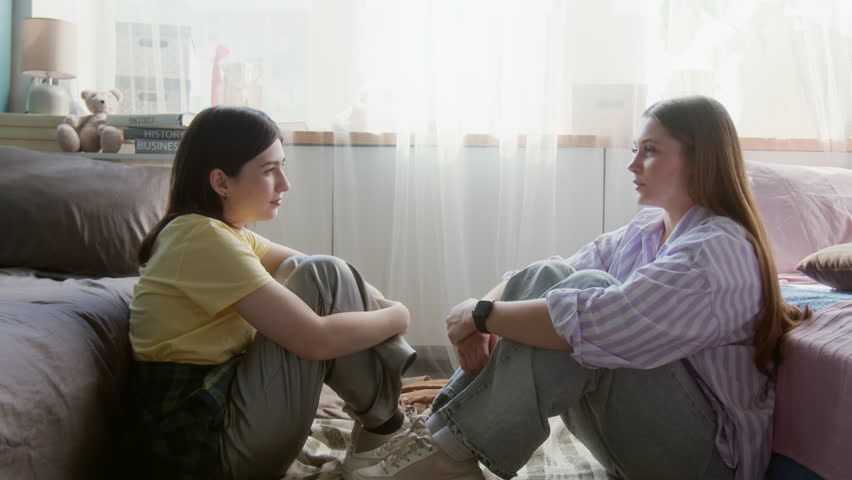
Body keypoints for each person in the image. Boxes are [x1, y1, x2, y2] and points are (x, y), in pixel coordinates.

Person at [349, 96, 810, 480]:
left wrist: (482, 316)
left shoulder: (718, 250)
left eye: (650, 150)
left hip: (706, 462)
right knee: (552, 276)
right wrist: (481, 309)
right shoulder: (648, 230)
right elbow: (549, 275)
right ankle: (438, 438)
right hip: (641, 439)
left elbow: (603, 321)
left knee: (583, 299)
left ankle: (451, 453)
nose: (632, 163)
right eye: (636, 149)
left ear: (699, 158)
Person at [122, 106, 417, 479]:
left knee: (320, 270)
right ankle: (387, 426)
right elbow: (315, 340)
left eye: (282, 167)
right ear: (221, 182)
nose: (285, 183)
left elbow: (316, 268)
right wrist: (399, 315)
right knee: (321, 274)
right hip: (208, 450)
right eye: (269, 170)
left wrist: (377, 303)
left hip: (224, 421)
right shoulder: (198, 238)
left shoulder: (220, 233)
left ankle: (386, 424)